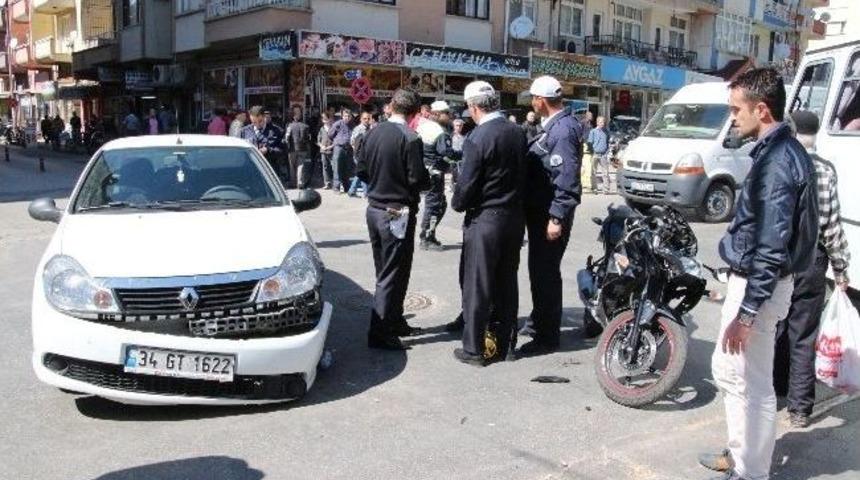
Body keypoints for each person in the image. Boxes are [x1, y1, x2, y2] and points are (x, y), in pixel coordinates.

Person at [698, 68, 819, 480]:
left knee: (750, 383)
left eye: (737, 110)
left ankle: (751, 471)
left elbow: (771, 244)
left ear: (761, 110)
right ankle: (742, 455)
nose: (732, 118)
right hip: (757, 283)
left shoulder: (778, 162)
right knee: (731, 374)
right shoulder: (779, 152)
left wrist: (747, 313)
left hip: (758, 287)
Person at [771, 111, 852, 429]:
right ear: (816, 134)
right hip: (812, 260)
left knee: (776, 324)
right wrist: (841, 267)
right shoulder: (825, 170)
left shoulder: (781, 163)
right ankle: (800, 408)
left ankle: (776, 386)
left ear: (792, 132)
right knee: (803, 333)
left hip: (780, 258)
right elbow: (831, 225)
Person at [450, 81, 526, 366]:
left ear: (473, 107)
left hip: (486, 219)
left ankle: (474, 349)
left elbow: (467, 184)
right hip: (513, 218)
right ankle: (506, 345)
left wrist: (458, 202)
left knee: (478, 285)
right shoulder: (517, 132)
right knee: (507, 283)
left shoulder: (478, 137)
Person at [355, 89, 430, 350]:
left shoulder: (373, 132)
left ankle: (395, 320)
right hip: (396, 212)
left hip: (375, 209)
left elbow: (361, 170)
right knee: (391, 273)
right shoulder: (410, 137)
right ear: (414, 113)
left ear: (392, 106)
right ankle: (380, 333)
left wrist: (380, 183)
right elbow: (417, 179)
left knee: (391, 270)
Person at [517, 76, 582, 355]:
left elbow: (566, 177)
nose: (532, 103)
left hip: (550, 214)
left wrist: (556, 217)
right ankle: (538, 321)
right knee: (539, 270)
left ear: (541, 100)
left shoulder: (563, 130)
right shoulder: (554, 125)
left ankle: (546, 337)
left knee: (545, 274)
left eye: (533, 98)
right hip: (542, 210)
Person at [416, 100, 461, 251]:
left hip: (426, 170)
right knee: (435, 205)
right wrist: (462, 154)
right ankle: (427, 238)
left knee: (437, 204)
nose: (449, 115)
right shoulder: (440, 132)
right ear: (436, 114)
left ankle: (428, 235)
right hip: (434, 173)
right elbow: (446, 153)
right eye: (446, 113)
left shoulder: (424, 126)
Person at [240, 106, 286, 178]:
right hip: (250, 171)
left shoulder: (277, 131)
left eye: (260, 121)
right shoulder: (244, 131)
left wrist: (268, 150)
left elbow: (282, 151)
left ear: (264, 117)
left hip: (270, 172)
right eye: (254, 122)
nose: (257, 124)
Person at [328, 109, 354, 193]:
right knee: (337, 168)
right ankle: (336, 187)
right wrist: (337, 141)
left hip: (348, 148)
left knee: (346, 168)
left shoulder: (352, 124)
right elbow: (330, 134)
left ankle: (346, 187)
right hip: (339, 148)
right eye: (345, 116)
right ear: (342, 116)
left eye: (349, 116)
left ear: (351, 117)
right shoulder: (338, 124)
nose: (347, 118)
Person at [348, 111, 372, 197]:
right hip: (359, 155)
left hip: (366, 155)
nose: (367, 120)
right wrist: (357, 154)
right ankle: (366, 193)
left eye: (368, 118)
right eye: (365, 118)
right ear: (361, 119)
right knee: (362, 172)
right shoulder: (358, 129)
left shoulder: (369, 128)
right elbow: (352, 142)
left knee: (360, 173)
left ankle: (352, 191)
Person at [286, 107, 312, 189]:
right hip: (303, 149)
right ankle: (300, 183)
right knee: (301, 165)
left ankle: (293, 183)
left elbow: (287, 137)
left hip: (292, 149)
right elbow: (308, 138)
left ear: (293, 117)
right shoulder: (305, 126)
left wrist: (287, 146)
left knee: (292, 167)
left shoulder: (289, 126)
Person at [588, 116, 611, 194]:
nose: (602, 124)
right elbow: (590, 142)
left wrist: (607, 151)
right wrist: (592, 152)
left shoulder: (606, 132)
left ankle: (606, 189)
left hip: (603, 155)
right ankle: (594, 188)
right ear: (597, 123)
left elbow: (608, 142)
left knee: (605, 172)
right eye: (600, 122)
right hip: (595, 154)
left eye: (603, 122)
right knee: (593, 172)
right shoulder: (593, 131)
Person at [317, 112, 335, 189]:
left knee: (334, 167)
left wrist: (331, 146)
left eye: (326, 118)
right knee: (325, 167)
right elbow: (318, 140)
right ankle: (327, 183)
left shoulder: (333, 128)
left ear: (329, 119)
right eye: (323, 119)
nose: (324, 120)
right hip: (323, 151)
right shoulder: (321, 129)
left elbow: (336, 140)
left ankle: (335, 182)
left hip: (332, 150)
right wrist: (321, 146)